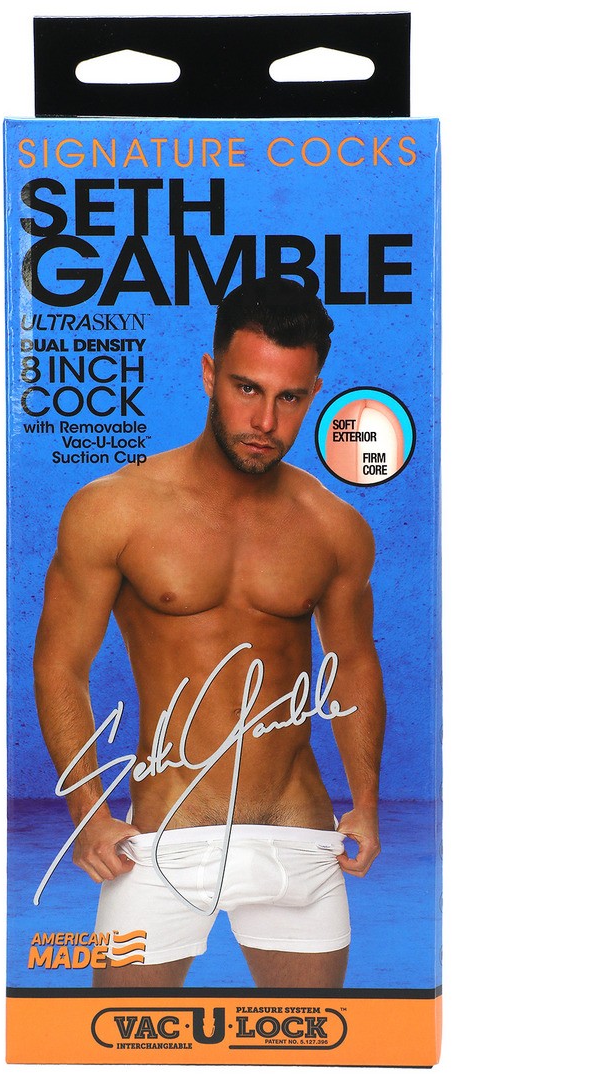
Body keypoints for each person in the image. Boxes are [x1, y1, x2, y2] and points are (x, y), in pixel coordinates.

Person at [33, 277, 386, 989]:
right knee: (123, 1042)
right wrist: (88, 812)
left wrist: (368, 805)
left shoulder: (333, 526)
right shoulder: (114, 509)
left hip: (297, 833)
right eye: (246, 388)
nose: (265, 419)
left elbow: (352, 663)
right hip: (161, 836)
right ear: (209, 373)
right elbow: (60, 664)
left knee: (310, 1045)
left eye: (290, 397)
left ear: (314, 394)